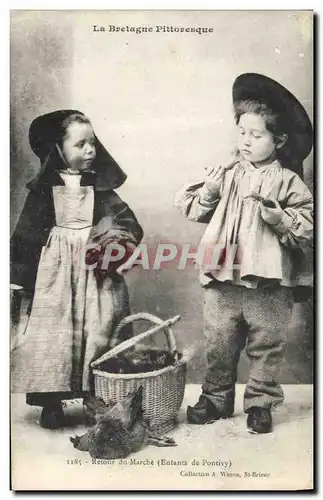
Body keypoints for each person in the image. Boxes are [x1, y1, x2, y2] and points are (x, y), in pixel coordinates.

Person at [175, 73, 313, 434]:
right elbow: (192, 209)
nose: (246, 142)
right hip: (223, 277)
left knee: (266, 344)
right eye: (241, 133)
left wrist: (279, 218)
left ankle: (260, 403)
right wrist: (209, 190)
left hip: (269, 282)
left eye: (256, 135)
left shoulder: (289, 182)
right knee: (219, 342)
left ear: (278, 140)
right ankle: (216, 398)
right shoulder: (227, 174)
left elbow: (308, 228)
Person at [10, 110, 143, 429]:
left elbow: (127, 222)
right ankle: (51, 402)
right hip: (56, 275)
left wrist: (113, 242)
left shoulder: (101, 189)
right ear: (58, 150)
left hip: (95, 273)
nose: (90, 150)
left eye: (92, 143)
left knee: (100, 327)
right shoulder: (42, 193)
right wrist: (19, 280)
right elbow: (26, 238)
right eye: (80, 144)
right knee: (54, 335)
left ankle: (97, 396)